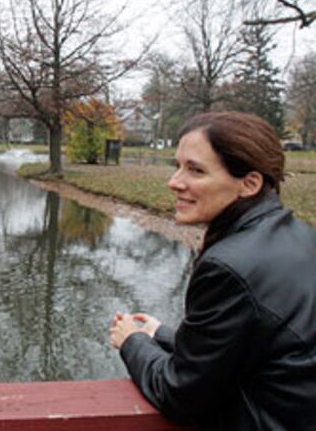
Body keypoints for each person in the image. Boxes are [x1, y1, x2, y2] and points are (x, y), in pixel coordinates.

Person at [109, 111, 316, 430]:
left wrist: (132, 342)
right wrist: (160, 335)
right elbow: (257, 348)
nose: (174, 181)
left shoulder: (228, 266)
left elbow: (179, 396)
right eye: (177, 166)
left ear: (249, 183)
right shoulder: (300, 236)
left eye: (195, 170)